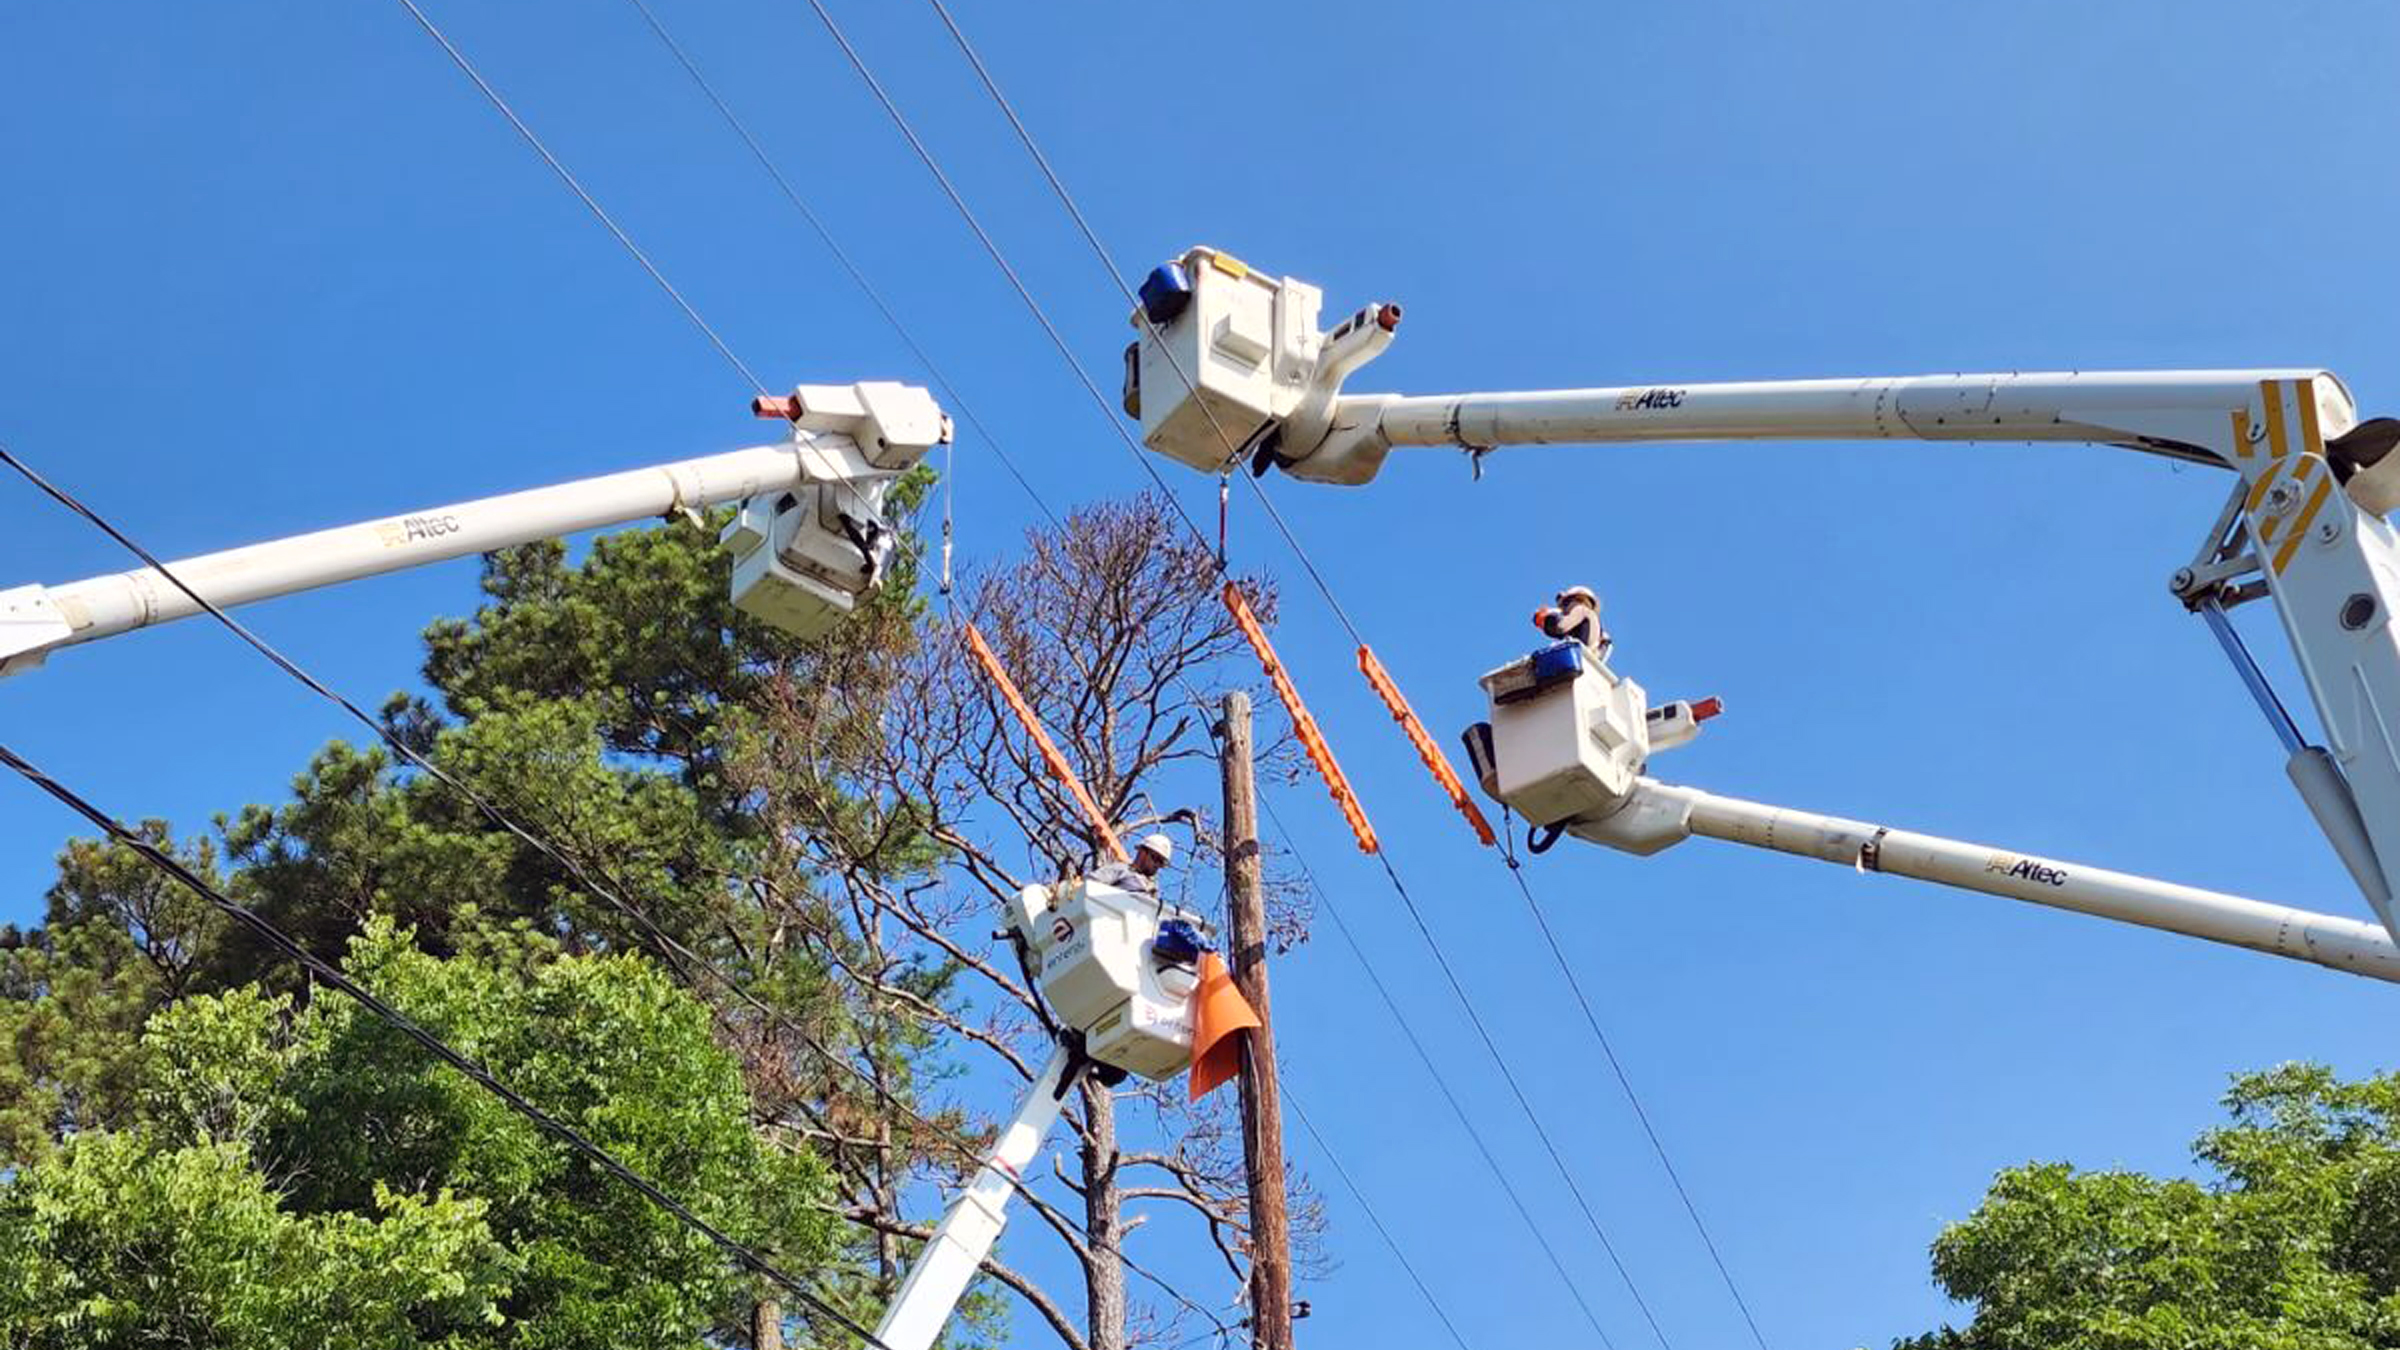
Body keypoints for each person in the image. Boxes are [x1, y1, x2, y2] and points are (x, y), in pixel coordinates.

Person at [1536, 584, 1609, 658]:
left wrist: (1547, 621)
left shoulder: (1581, 610)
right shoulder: (1593, 618)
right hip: (1589, 656)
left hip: (1579, 653)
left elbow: (1561, 627)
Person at [1091, 832, 1174, 895]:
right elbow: (1089, 884)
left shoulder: (1151, 890)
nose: (1157, 865)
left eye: (1161, 863)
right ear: (1142, 853)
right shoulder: (1121, 870)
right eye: (1156, 859)